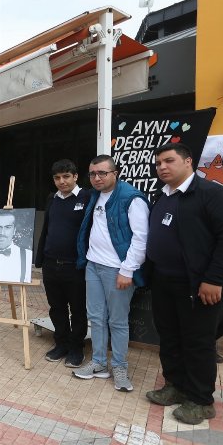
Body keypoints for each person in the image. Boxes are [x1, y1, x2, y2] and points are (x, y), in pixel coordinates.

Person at [144, 143, 223, 425]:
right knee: (170, 337)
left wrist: (213, 279)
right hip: (163, 281)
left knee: (197, 343)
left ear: (188, 162)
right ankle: (175, 385)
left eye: (169, 161)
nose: (162, 167)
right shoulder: (161, 196)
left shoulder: (211, 194)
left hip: (198, 285)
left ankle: (200, 400)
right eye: (159, 163)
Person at [73, 155, 149, 392]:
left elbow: (141, 238)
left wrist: (127, 270)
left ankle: (119, 367)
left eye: (102, 173)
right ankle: (98, 363)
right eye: (93, 173)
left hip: (118, 269)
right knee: (95, 317)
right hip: (93, 265)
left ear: (115, 173)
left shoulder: (131, 198)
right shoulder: (95, 195)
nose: (96, 178)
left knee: (117, 321)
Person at [34, 160, 91, 368]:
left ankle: (76, 348)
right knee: (56, 308)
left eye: (66, 176)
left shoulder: (87, 197)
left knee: (77, 309)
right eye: (57, 178)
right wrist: (39, 259)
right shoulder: (52, 199)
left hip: (75, 266)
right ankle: (61, 344)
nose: (62, 181)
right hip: (51, 265)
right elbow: (46, 229)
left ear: (75, 176)